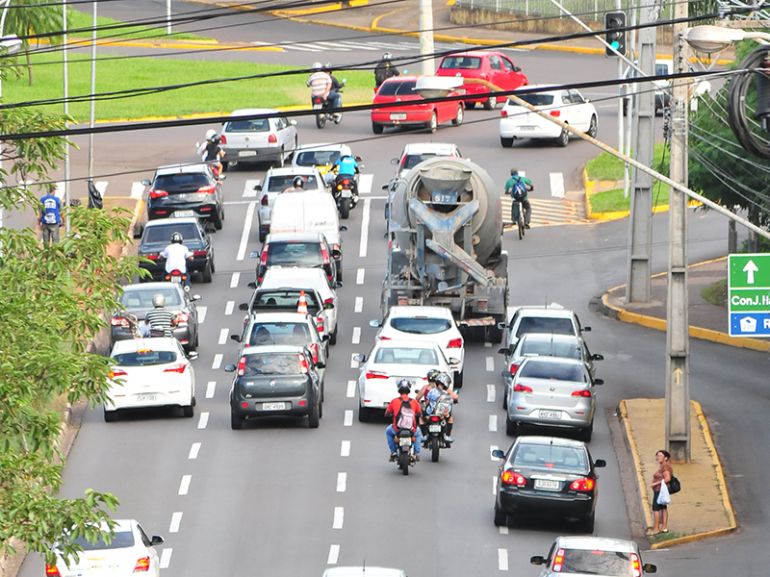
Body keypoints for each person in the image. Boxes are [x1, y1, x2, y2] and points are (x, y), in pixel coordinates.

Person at [384, 379, 423, 461]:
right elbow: (419, 413)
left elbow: (387, 413)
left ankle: (393, 452)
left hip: (397, 429)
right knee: (418, 433)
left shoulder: (394, 401)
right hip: (412, 430)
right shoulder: (414, 402)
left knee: (388, 431)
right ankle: (416, 453)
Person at [420, 370, 458, 443]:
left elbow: (427, 401)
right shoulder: (447, 392)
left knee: (421, 417)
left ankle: (425, 435)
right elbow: (454, 398)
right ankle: (447, 435)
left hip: (430, 413)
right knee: (450, 418)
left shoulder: (432, 391)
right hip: (443, 414)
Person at [651, 449, 674, 534]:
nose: (658, 457)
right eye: (657, 456)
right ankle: (664, 527)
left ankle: (656, 529)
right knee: (663, 507)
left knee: (656, 508)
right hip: (661, 489)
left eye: (660, 456)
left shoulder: (665, 467)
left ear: (666, 458)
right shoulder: (663, 466)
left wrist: (655, 484)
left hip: (660, 490)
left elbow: (667, 478)